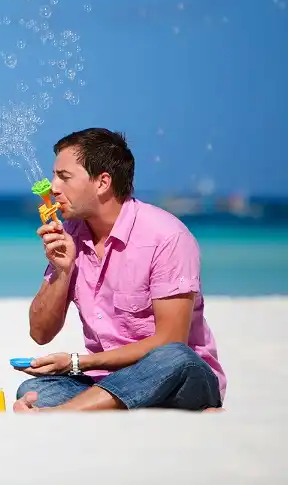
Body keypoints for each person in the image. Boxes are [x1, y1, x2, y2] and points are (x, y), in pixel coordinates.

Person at [13, 128, 225, 413]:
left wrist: (77, 362)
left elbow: (170, 341)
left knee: (175, 357)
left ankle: (64, 413)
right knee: (34, 389)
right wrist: (61, 271)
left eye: (64, 177)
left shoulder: (166, 237)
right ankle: (101, 405)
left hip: (180, 378)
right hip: (109, 380)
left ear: (102, 182)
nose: (53, 187)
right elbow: (40, 333)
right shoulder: (70, 237)